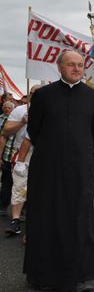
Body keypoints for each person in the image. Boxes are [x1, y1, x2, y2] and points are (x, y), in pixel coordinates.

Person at [23, 50, 94, 292]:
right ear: (59, 67)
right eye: (71, 65)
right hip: (46, 168)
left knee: (78, 219)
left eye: (80, 65)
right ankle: (40, 275)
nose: (77, 69)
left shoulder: (93, 97)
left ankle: (78, 276)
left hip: (80, 168)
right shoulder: (43, 95)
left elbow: (92, 133)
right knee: (44, 218)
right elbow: (34, 131)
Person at [2, 84, 40, 236]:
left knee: (38, 188)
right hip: (21, 154)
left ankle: (35, 221)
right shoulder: (20, 110)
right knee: (19, 187)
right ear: (29, 94)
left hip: (42, 154)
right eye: (33, 93)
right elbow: (6, 131)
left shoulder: (51, 109)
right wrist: (22, 122)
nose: (36, 95)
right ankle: (15, 221)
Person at [0, 100, 16, 215]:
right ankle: (3, 205)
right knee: (6, 182)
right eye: (5, 107)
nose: (6, 109)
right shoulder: (6, 120)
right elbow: (3, 138)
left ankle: (20, 211)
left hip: (19, 157)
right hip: (7, 155)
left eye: (9, 108)